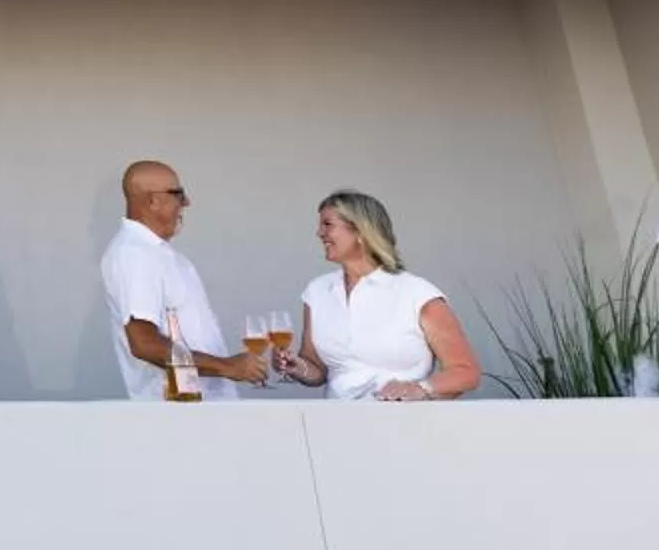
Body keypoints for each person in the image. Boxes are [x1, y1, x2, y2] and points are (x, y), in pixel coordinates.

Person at [277, 190, 482, 402]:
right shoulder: (317, 292)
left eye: (328, 224)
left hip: (405, 422)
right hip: (335, 423)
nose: (319, 233)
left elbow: (465, 371)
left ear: (360, 231)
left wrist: (420, 388)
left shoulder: (417, 293)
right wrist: (298, 367)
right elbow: (316, 368)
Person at [99, 159, 266, 399]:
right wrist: (227, 366)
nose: (186, 202)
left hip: (199, 410)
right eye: (178, 194)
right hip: (177, 414)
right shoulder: (134, 254)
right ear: (152, 200)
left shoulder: (157, 253)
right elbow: (145, 344)